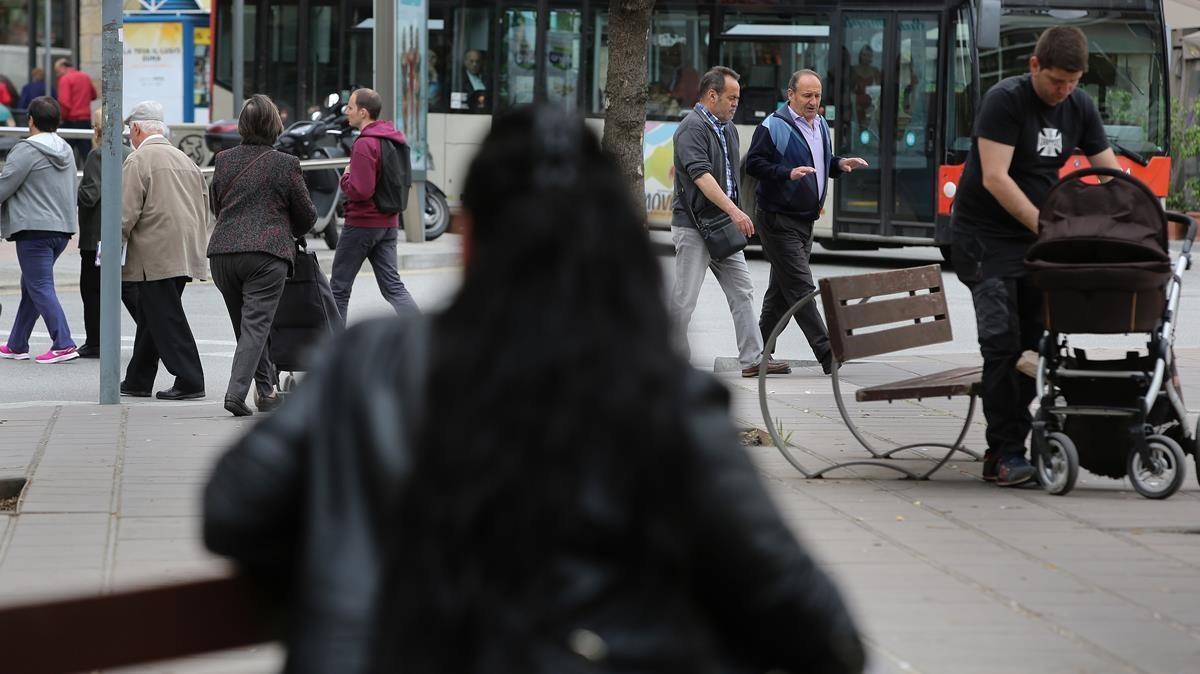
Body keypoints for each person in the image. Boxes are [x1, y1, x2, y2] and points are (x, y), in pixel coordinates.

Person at [203, 104, 866, 674]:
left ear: (469, 243)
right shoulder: (657, 398)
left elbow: (234, 508)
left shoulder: (368, 363)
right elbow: (821, 630)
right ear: (615, 248)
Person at [950, 26, 1119, 486]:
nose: (1063, 91)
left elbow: (1111, 175)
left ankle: (1012, 445)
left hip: (1034, 241)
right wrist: (1051, 228)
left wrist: (1134, 217)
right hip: (982, 238)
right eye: (1056, 82)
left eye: (1073, 82)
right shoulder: (1006, 101)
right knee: (1002, 342)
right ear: (1034, 67)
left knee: (1035, 343)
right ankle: (1006, 452)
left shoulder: (1078, 106)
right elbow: (996, 178)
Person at [746, 69, 869, 374]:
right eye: (807, 95)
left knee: (781, 293)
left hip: (805, 221)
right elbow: (753, 163)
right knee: (801, 288)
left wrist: (838, 164)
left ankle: (757, 353)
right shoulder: (773, 125)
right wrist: (786, 173)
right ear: (791, 95)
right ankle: (828, 353)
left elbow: (820, 162)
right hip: (777, 220)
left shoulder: (820, 125)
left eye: (817, 95)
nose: (814, 102)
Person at [208, 95, 317, 417]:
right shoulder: (285, 164)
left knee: (248, 329)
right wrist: (286, 229)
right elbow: (308, 215)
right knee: (255, 326)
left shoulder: (224, 159)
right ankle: (235, 393)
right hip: (266, 255)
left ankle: (267, 392)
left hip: (223, 254)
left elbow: (217, 205)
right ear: (275, 125)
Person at [671, 66, 783, 378]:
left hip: (722, 227)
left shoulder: (728, 129)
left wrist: (735, 212)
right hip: (694, 227)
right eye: (731, 97)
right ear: (711, 95)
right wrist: (736, 212)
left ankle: (752, 359)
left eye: (738, 98)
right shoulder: (691, 128)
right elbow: (702, 177)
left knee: (743, 290)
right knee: (685, 299)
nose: (736, 103)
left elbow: (732, 178)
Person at [119, 101, 210, 401]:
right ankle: (138, 379)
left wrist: (110, 250)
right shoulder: (185, 159)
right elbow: (204, 208)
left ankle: (190, 378)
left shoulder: (138, 159)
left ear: (136, 128)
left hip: (154, 253)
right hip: (184, 250)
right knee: (152, 317)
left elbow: (125, 212)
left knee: (165, 317)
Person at [329, 88, 420, 323]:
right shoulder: (393, 137)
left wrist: (345, 177)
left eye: (350, 107)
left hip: (362, 224)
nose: (346, 111)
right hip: (389, 223)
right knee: (393, 287)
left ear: (363, 112)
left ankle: (336, 349)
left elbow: (361, 190)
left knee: (338, 288)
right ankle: (423, 335)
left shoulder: (365, 144)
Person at [0, 96, 79, 364]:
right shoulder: (66, 149)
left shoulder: (26, 150)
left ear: (30, 119)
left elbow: (5, 185)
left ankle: (64, 343)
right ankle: (17, 344)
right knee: (31, 285)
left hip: (34, 229)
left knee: (40, 285)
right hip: (61, 230)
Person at [76, 106, 133, 358]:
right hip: (119, 231)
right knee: (123, 287)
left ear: (99, 129)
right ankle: (150, 331)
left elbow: (90, 195)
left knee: (91, 289)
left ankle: (96, 341)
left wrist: (72, 190)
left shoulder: (98, 156)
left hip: (95, 235)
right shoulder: (130, 153)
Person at [54, 58, 97, 162]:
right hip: (85, 120)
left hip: (70, 121)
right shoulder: (85, 76)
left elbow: (64, 103)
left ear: (63, 67)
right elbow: (94, 95)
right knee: (87, 154)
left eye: (57, 71)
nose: (57, 74)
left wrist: (61, 119)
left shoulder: (65, 79)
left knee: (64, 156)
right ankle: (90, 176)